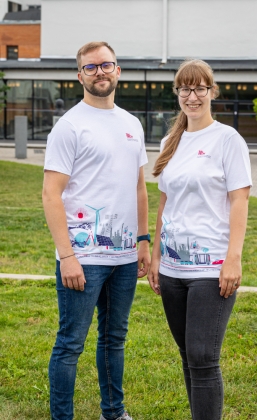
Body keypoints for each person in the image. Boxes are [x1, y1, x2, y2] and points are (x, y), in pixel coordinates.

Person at [42, 41, 150, 420]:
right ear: (80, 76)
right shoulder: (70, 126)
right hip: (83, 257)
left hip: (123, 256)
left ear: (118, 70)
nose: (100, 72)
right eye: (91, 67)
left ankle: (114, 412)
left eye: (106, 65)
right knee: (71, 343)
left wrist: (142, 240)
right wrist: (67, 256)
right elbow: (50, 194)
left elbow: (139, 187)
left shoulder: (131, 124)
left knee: (114, 339)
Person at [147, 59, 252, 420]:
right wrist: (157, 256)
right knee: (188, 356)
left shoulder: (228, 140)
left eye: (200, 88)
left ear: (212, 92)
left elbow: (240, 199)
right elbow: (164, 201)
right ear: (177, 94)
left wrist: (233, 259)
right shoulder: (170, 141)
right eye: (185, 89)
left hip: (212, 268)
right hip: (174, 270)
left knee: (204, 357)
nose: (192, 96)